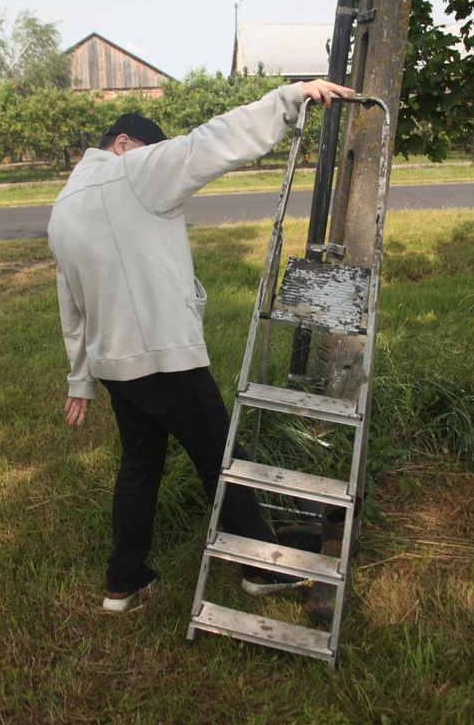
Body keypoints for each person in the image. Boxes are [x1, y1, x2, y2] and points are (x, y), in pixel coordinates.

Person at [48, 78, 353, 612]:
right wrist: (290, 96)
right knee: (220, 457)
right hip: (164, 356)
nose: (158, 160)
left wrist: (81, 379)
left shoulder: (63, 206)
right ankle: (261, 569)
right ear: (123, 144)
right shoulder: (132, 170)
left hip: (116, 364)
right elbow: (208, 142)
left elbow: (70, 305)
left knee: (140, 467)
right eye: (150, 150)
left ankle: (123, 582)